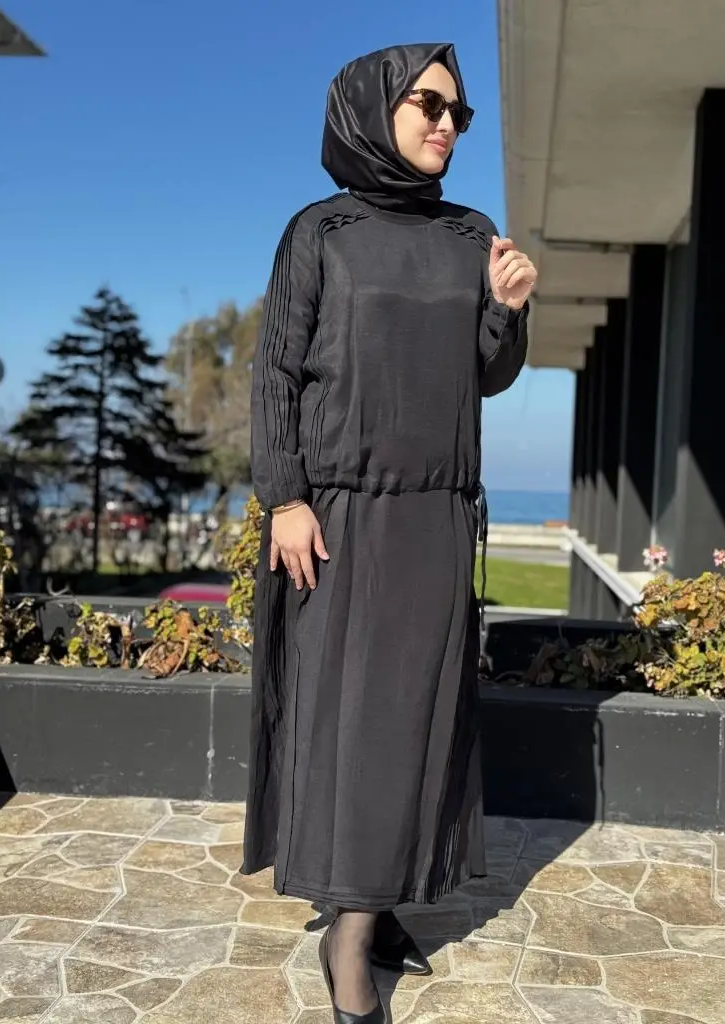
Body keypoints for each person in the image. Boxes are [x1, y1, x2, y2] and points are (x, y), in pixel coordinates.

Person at [241, 42, 536, 1024]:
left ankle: (377, 896)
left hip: (438, 515)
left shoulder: (470, 235)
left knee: (420, 723)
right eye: (429, 105)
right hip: (339, 520)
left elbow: (486, 375)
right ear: (374, 108)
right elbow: (277, 371)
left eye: (459, 113)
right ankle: (350, 938)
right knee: (352, 724)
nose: (448, 124)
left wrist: (508, 312)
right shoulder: (319, 231)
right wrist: (285, 497)